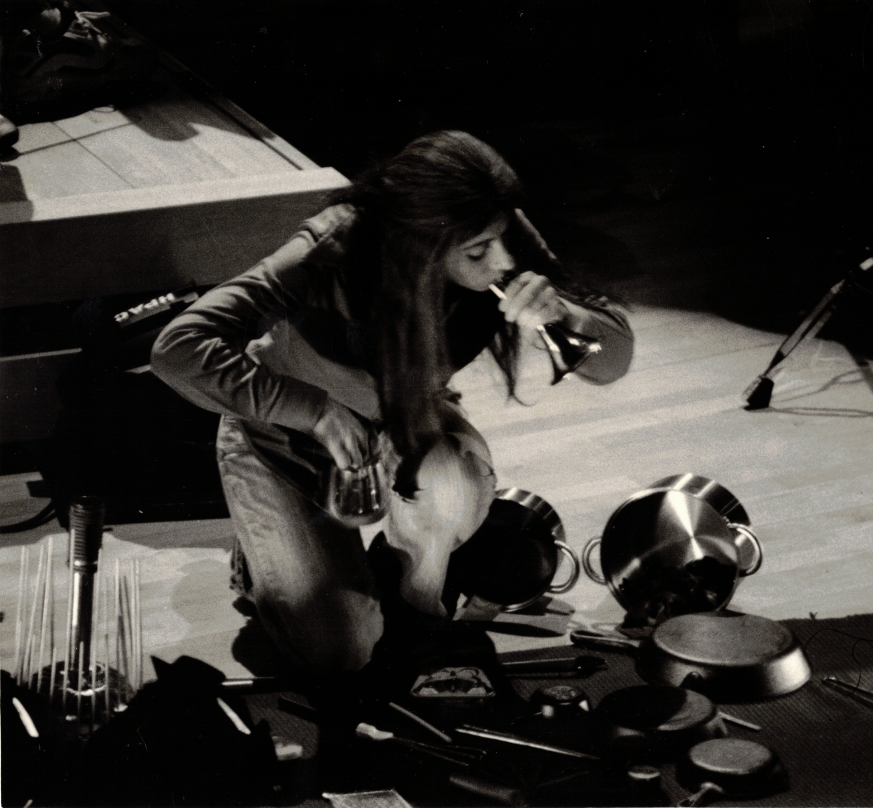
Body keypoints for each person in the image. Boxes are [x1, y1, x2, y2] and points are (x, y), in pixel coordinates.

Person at [151, 130, 634, 676]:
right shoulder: (331, 247)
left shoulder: (497, 231)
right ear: (418, 243)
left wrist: (566, 316)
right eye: (478, 250)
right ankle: (264, 559)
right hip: (281, 441)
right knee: (343, 652)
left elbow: (613, 358)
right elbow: (176, 348)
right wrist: (316, 411)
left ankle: (390, 577)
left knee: (452, 494)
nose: (502, 260)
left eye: (500, 238)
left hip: (397, 425)